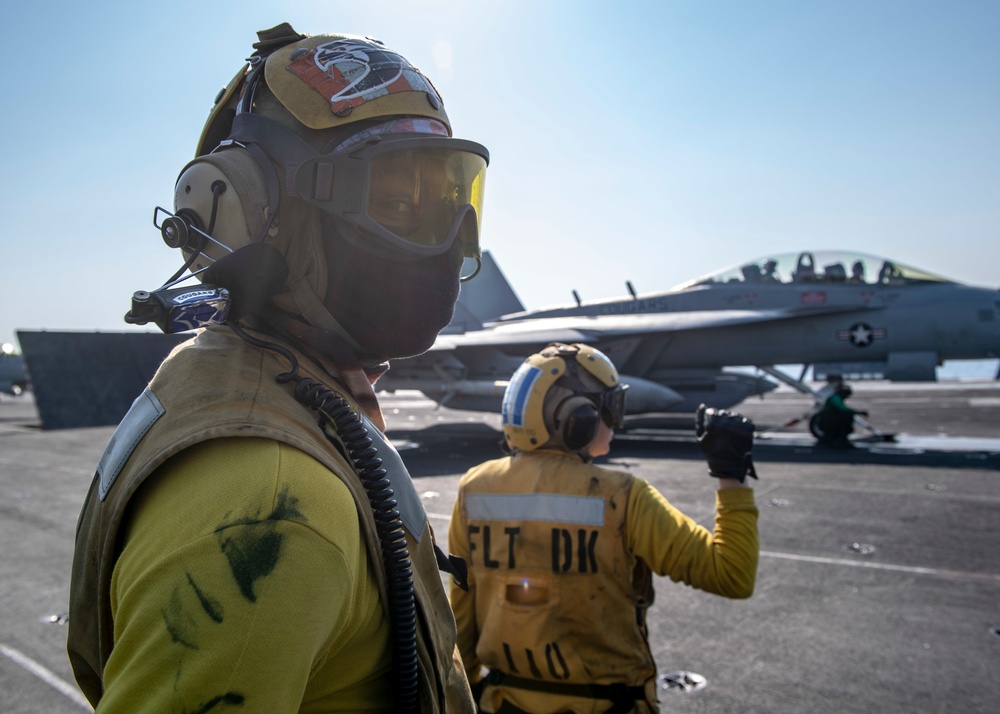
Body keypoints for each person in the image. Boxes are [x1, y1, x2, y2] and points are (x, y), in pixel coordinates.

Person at [67, 23, 488, 712]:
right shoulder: (273, 505)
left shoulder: (240, 382)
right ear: (246, 211)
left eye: (450, 204)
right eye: (396, 204)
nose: (444, 245)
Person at [448, 343, 760, 713]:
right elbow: (732, 575)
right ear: (577, 417)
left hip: (500, 704)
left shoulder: (475, 488)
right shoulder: (624, 496)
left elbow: (460, 617)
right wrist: (730, 476)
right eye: (609, 408)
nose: (615, 421)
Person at [810, 379, 868, 448]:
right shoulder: (835, 398)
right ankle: (840, 440)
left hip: (826, 422)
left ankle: (832, 438)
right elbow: (843, 409)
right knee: (847, 417)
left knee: (845, 416)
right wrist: (858, 412)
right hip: (827, 423)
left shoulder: (835, 398)